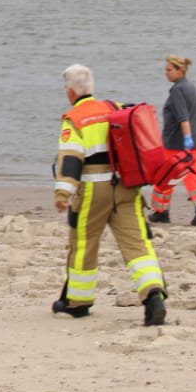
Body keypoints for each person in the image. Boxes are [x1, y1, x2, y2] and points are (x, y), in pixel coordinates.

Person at [52, 64, 167, 326]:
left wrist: (63, 193)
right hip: (127, 187)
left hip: (94, 190)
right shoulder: (115, 108)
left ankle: (77, 303)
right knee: (137, 244)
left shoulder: (75, 118)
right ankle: (154, 296)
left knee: (84, 243)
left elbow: (71, 159)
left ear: (71, 91)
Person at [150, 54, 196, 226]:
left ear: (180, 70)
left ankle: (161, 212)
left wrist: (186, 138)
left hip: (177, 144)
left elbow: (183, 117)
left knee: (165, 176)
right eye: (166, 70)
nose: (166, 73)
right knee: (194, 176)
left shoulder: (177, 90)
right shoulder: (190, 87)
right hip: (194, 141)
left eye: (169, 70)